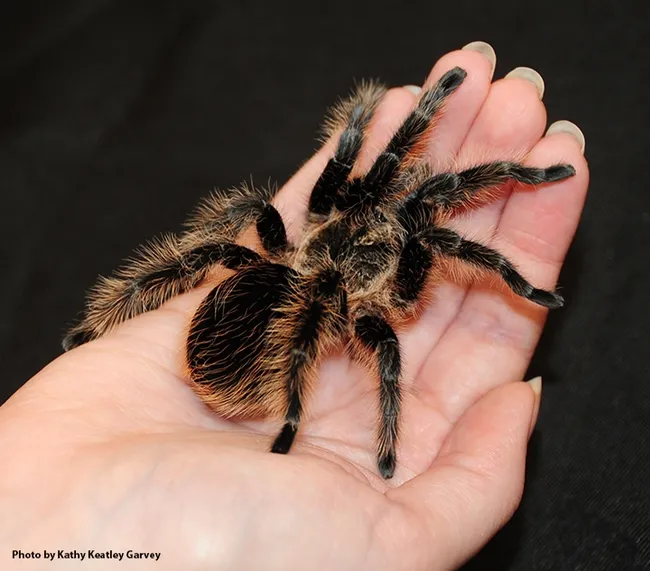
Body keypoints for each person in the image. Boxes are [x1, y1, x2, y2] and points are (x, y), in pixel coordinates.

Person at [0, 42, 588, 570]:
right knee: (398, 226)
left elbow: (362, 163)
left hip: (282, 296)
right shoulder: (372, 278)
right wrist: (372, 124)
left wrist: (414, 123)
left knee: (250, 234)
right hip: (264, 347)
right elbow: (391, 193)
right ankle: (276, 408)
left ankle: (106, 323)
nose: (376, 198)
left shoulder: (321, 240)